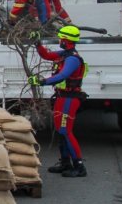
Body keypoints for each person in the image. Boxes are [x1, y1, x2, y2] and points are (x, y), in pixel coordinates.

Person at [28, 25, 87, 178]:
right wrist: (37, 43)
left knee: (66, 132)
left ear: (66, 39)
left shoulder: (72, 59)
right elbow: (47, 55)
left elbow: (62, 76)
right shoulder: (64, 54)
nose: (59, 40)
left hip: (69, 99)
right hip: (62, 98)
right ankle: (65, 163)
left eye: (61, 38)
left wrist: (41, 82)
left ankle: (79, 166)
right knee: (61, 132)